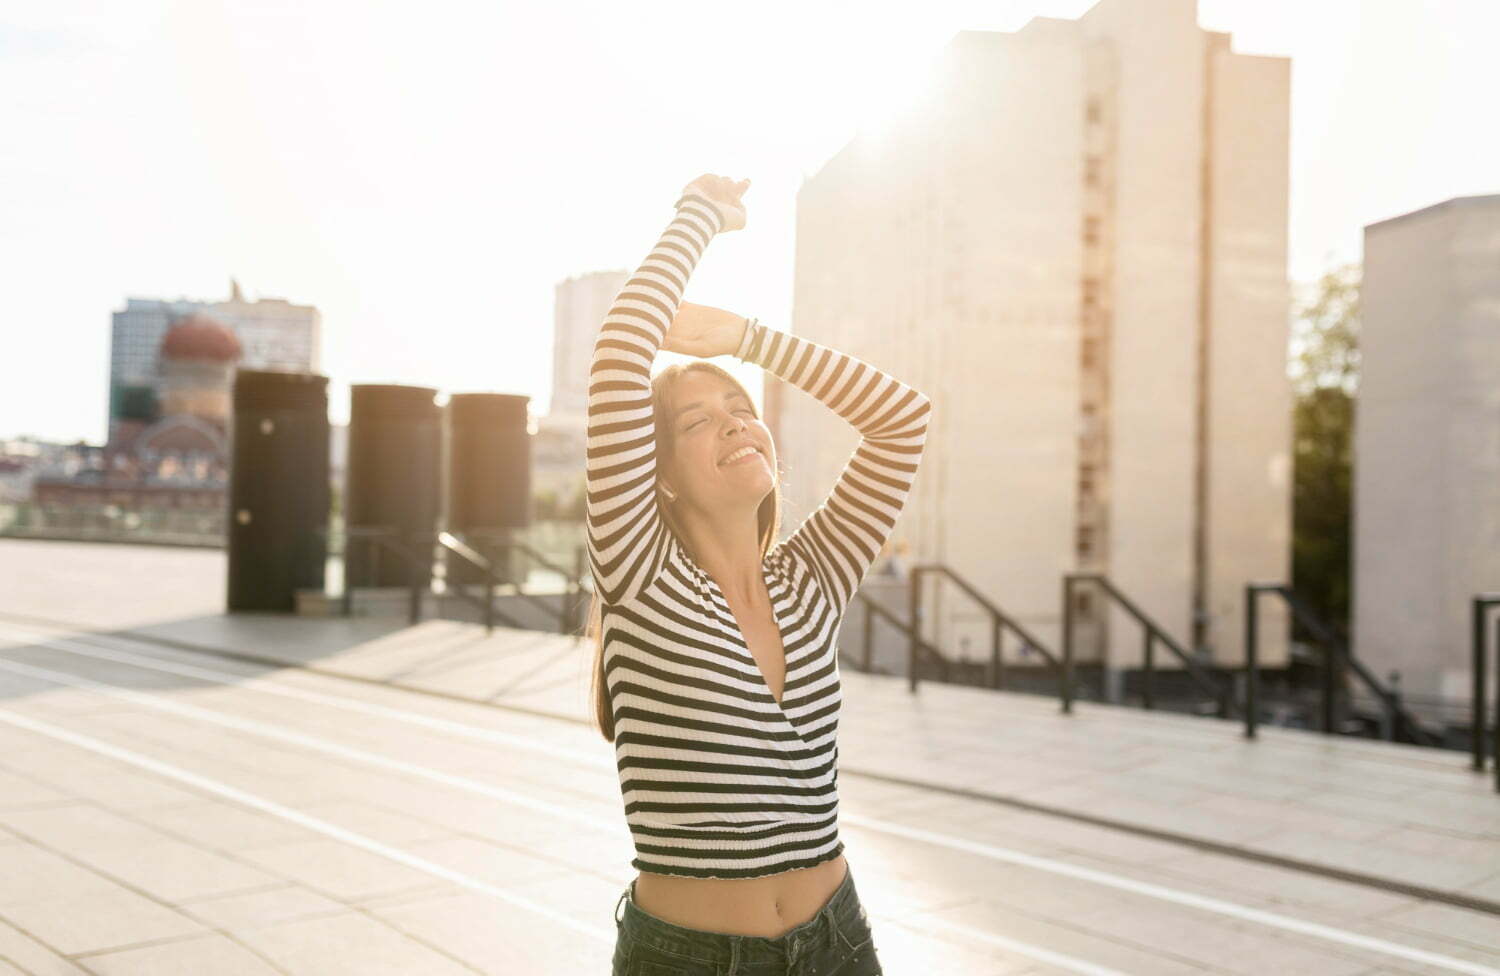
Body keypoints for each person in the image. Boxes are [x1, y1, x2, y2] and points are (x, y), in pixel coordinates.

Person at [584, 173, 931, 975]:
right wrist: (702, 216)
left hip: (838, 939)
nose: (735, 423)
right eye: (697, 422)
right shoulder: (640, 576)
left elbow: (901, 419)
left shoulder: (811, 578)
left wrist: (747, 338)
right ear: (658, 473)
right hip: (690, 959)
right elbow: (621, 346)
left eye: (741, 409)